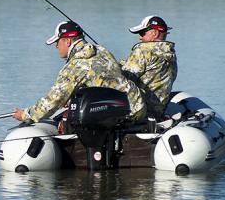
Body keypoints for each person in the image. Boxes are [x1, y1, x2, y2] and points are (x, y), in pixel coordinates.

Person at [13, 20, 146, 124]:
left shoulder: (77, 64)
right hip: (137, 105)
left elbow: (55, 98)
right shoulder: (101, 50)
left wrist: (26, 114)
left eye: (58, 42)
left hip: (124, 113)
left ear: (67, 41)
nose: (56, 46)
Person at [120, 15, 178, 120]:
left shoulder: (144, 50)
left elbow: (123, 78)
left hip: (139, 111)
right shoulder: (170, 54)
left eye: (142, 33)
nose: (140, 37)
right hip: (157, 112)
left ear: (154, 33)